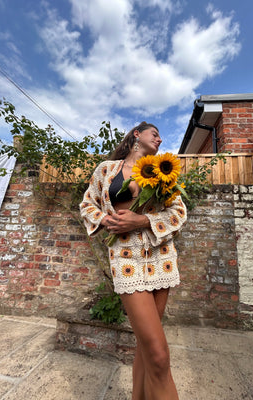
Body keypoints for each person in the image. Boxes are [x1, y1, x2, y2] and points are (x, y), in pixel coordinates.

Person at [80, 122, 187, 400]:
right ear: (137, 134)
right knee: (160, 356)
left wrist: (141, 220)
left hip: (161, 259)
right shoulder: (106, 169)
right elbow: (87, 203)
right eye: (155, 134)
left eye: (162, 136)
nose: (161, 139)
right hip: (126, 261)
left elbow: (178, 212)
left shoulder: (163, 172)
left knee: (146, 348)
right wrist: (105, 219)